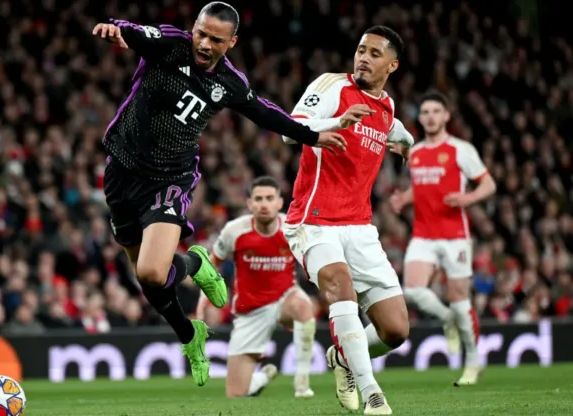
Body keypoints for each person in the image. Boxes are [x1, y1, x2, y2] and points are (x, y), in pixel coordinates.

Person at [92, 2, 345, 387]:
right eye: (202, 33)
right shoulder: (171, 45)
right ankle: (190, 336)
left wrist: (311, 136)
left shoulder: (229, 83)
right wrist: (116, 30)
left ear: (232, 42)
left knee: (152, 271)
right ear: (193, 28)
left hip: (169, 178)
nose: (205, 44)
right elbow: (136, 31)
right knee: (148, 283)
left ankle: (195, 264)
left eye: (216, 39)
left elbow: (264, 112)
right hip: (122, 170)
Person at [281, 26, 415, 415]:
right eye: (360, 50)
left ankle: (343, 358)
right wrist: (336, 122)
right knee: (340, 285)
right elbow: (291, 132)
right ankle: (374, 394)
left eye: (374, 53)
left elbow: (399, 132)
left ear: (392, 65)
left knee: (396, 330)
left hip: (359, 228)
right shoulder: (331, 87)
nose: (363, 58)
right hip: (314, 220)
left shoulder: (386, 107)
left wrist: (405, 145)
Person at [389, 91, 496, 386]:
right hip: (423, 234)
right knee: (412, 290)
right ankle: (448, 319)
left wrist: (467, 197)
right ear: (420, 118)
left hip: (454, 236)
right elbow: (424, 186)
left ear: (446, 116)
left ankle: (472, 363)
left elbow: (488, 184)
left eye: (436, 111)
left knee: (460, 299)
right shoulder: (417, 152)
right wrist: (404, 200)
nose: (431, 116)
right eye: (425, 112)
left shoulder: (461, 149)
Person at [196, 176, 316, 398]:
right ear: (250, 204)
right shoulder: (234, 230)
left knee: (303, 304)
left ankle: (302, 383)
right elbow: (213, 264)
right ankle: (261, 378)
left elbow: (315, 261)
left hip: (284, 299)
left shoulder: (293, 229)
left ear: (280, 203)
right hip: (249, 310)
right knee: (236, 394)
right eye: (258, 199)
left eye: (270, 198)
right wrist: (205, 298)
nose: (264, 204)